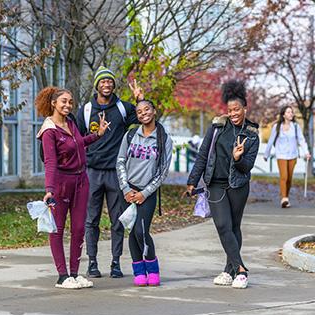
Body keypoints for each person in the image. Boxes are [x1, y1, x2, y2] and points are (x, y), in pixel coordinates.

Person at [186, 80, 259, 289]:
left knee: (234, 227)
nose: (233, 113)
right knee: (222, 225)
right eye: (230, 110)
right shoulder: (218, 125)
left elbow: (247, 167)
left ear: (245, 108)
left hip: (238, 186)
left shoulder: (252, 133)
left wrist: (238, 158)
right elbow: (203, 153)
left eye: (237, 109)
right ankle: (241, 269)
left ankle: (229, 271)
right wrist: (192, 180)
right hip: (215, 184)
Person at [35, 86, 110, 289]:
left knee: (78, 228)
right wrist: (49, 189)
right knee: (57, 229)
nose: (68, 105)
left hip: (81, 181)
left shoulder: (70, 122)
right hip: (60, 183)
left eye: (70, 101)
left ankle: (75, 274)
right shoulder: (49, 130)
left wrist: (97, 135)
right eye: (64, 101)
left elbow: (78, 143)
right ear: (53, 103)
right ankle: (62, 276)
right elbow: (50, 162)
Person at [77, 67, 142, 278]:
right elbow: (77, 140)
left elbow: (145, 118)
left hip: (116, 173)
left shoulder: (123, 108)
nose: (107, 85)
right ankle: (92, 263)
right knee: (91, 220)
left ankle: (115, 263)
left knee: (118, 220)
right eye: (103, 82)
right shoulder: (86, 110)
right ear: (97, 85)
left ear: (114, 85)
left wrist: (141, 99)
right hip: (92, 172)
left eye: (110, 82)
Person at [116, 99, 173, 286]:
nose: (143, 113)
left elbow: (163, 171)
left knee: (141, 230)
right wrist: (125, 188)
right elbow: (120, 162)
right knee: (132, 232)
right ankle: (139, 272)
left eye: (147, 109)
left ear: (154, 111)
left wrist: (145, 193)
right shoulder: (130, 135)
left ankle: (153, 268)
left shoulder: (164, 139)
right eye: (139, 111)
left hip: (147, 192)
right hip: (128, 190)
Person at [264, 106, 311, 208]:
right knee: (284, 176)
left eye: (291, 112)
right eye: (288, 112)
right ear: (283, 114)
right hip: (281, 155)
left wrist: (306, 152)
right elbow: (271, 141)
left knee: (289, 178)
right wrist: (266, 154)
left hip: (292, 155)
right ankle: (284, 199)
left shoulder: (295, 126)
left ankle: (286, 197)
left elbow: (301, 140)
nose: (291, 114)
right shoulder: (277, 126)